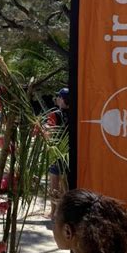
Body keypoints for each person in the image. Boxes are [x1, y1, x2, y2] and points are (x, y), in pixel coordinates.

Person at [47, 87, 70, 218]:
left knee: (54, 181)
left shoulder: (54, 114)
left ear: (62, 99)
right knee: (64, 182)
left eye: (58, 97)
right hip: (69, 152)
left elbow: (50, 133)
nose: (57, 99)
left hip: (56, 151)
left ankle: (53, 212)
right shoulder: (75, 113)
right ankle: (63, 212)